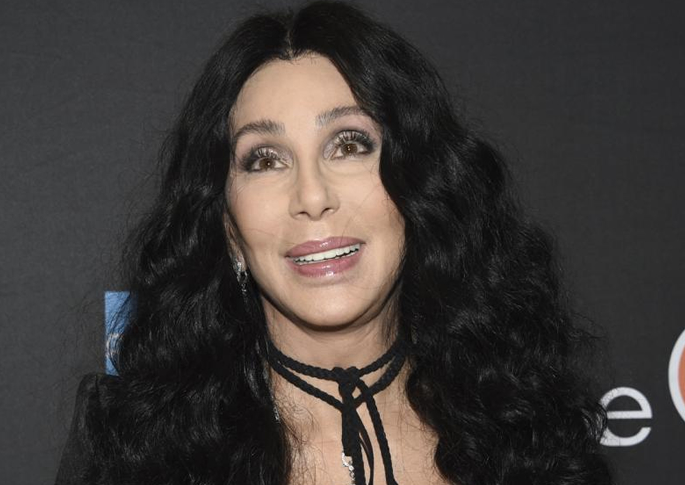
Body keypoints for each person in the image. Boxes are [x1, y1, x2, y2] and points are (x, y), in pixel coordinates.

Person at [54, 1, 613, 484]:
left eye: (348, 145)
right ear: (228, 228)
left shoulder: (524, 427)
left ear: (418, 187)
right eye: (265, 160)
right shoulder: (137, 445)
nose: (312, 195)